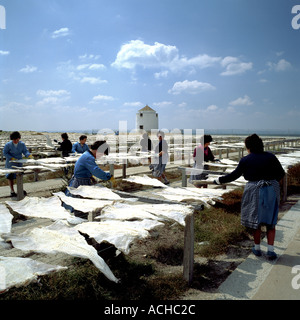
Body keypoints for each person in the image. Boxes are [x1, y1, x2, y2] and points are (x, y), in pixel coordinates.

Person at [214, 134, 285, 260]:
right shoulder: (271, 157)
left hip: (254, 191)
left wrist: (218, 180)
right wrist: (271, 182)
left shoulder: (246, 160)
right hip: (271, 190)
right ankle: (270, 250)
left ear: (248, 147)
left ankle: (257, 248)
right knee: (271, 222)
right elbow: (281, 173)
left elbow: (234, 175)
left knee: (255, 221)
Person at [3, 131, 32, 197]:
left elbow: (25, 151)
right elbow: (5, 153)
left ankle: (20, 189)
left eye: (17, 139)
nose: (15, 141)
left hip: (19, 162)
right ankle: (12, 191)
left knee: (19, 176)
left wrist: (29, 155)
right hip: (11, 163)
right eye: (14, 140)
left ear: (19, 138)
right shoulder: (8, 145)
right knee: (10, 177)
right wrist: (11, 158)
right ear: (12, 139)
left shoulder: (22, 144)